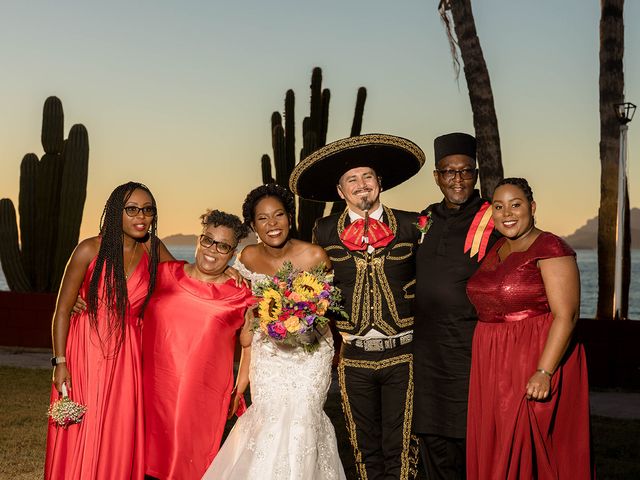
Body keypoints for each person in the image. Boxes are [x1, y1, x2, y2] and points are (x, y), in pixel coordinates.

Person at [290, 133, 425, 480]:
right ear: (340, 191)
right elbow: (314, 288)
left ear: (379, 183)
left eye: (367, 177)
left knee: (403, 446)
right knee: (363, 447)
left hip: (404, 354)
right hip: (353, 356)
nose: (361, 185)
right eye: (352, 179)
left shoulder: (414, 224)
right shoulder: (323, 231)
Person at [202, 184, 346, 479]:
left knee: (303, 421)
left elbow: (329, 310)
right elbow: (246, 315)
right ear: (252, 225)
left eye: (278, 215)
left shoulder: (315, 255)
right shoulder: (246, 259)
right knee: (267, 420)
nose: (272, 224)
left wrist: (305, 318)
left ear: (290, 218)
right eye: (263, 218)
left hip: (310, 354)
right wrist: (241, 379)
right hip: (267, 355)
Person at [466, 178, 593, 479]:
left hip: (532, 360)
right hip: (493, 363)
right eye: (499, 207)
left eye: (516, 204)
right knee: (497, 444)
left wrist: (544, 371)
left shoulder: (550, 247)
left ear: (532, 207)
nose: (507, 213)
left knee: (528, 447)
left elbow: (568, 314)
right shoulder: (497, 248)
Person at [44, 181, 173, 480]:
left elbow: (185, 284)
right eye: (132, 209)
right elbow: (62, 309)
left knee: (119, 427)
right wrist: (59, 362)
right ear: (116, 212)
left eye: (148, 210)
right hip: (85, 349)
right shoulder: (89, 249)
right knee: (84, 427)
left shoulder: (154, 249)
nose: (141, 216)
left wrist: (225, 272)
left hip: (129, 354)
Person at [412, 132, 500, 479]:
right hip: (427, 351)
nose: (457, 179)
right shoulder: (424, 220)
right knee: (430, 433)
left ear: (475, 175)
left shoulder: (492, 218)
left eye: (465, 171)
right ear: (437, 176)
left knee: (469, 436)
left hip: (470, 348)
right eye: (449, 172)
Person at [143, 209, 254, 480]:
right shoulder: (163, 274)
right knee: (143, 457)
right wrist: (77, 297)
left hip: (202, 396)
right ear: (198, 239)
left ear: (233, 253)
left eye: (223, 246)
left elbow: (250, 345)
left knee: (189, 463)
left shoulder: (241, 294)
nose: (212, 250)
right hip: (150, 387)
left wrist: (239, 389)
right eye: (207, 240)